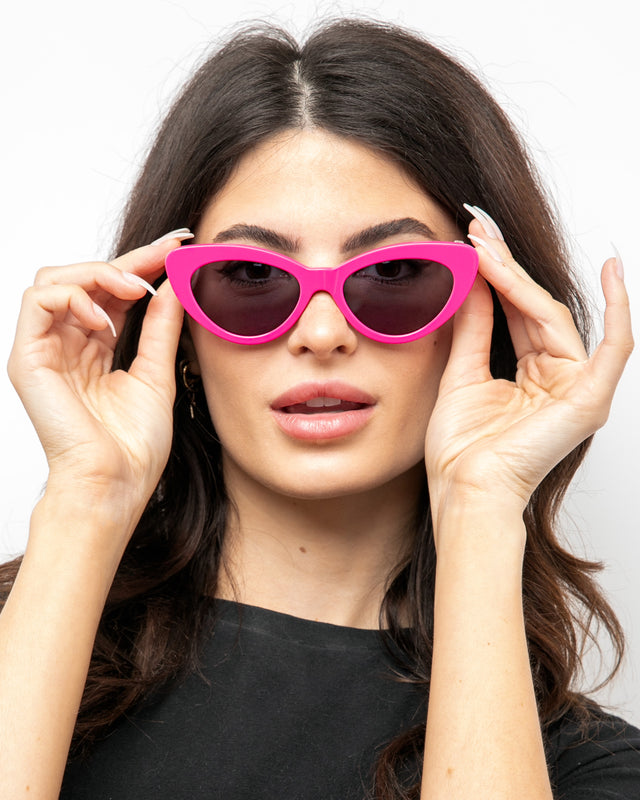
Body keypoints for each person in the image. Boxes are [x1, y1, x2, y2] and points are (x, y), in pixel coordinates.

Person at [1, 17, 639, 800]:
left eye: (397, 271)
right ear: (178, 326)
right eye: (250, 278)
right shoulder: (21, 634)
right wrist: (84, 498)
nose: (323, 333)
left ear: (491, 311)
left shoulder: (578, 766)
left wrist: (480, 503)